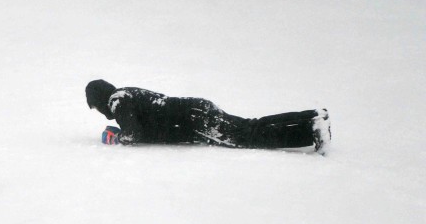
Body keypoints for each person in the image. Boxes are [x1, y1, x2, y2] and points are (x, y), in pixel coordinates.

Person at [85, 80, 331, 153]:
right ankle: (313, 121)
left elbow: (133, 134)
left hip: (194, 119)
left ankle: (311, 129)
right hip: (196, 111)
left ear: (99, 100)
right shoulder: (126, 94)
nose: (100, 112)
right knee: (251, 127)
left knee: (249, 136)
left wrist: (117, 137)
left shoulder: (118, 101)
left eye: (95, 107)